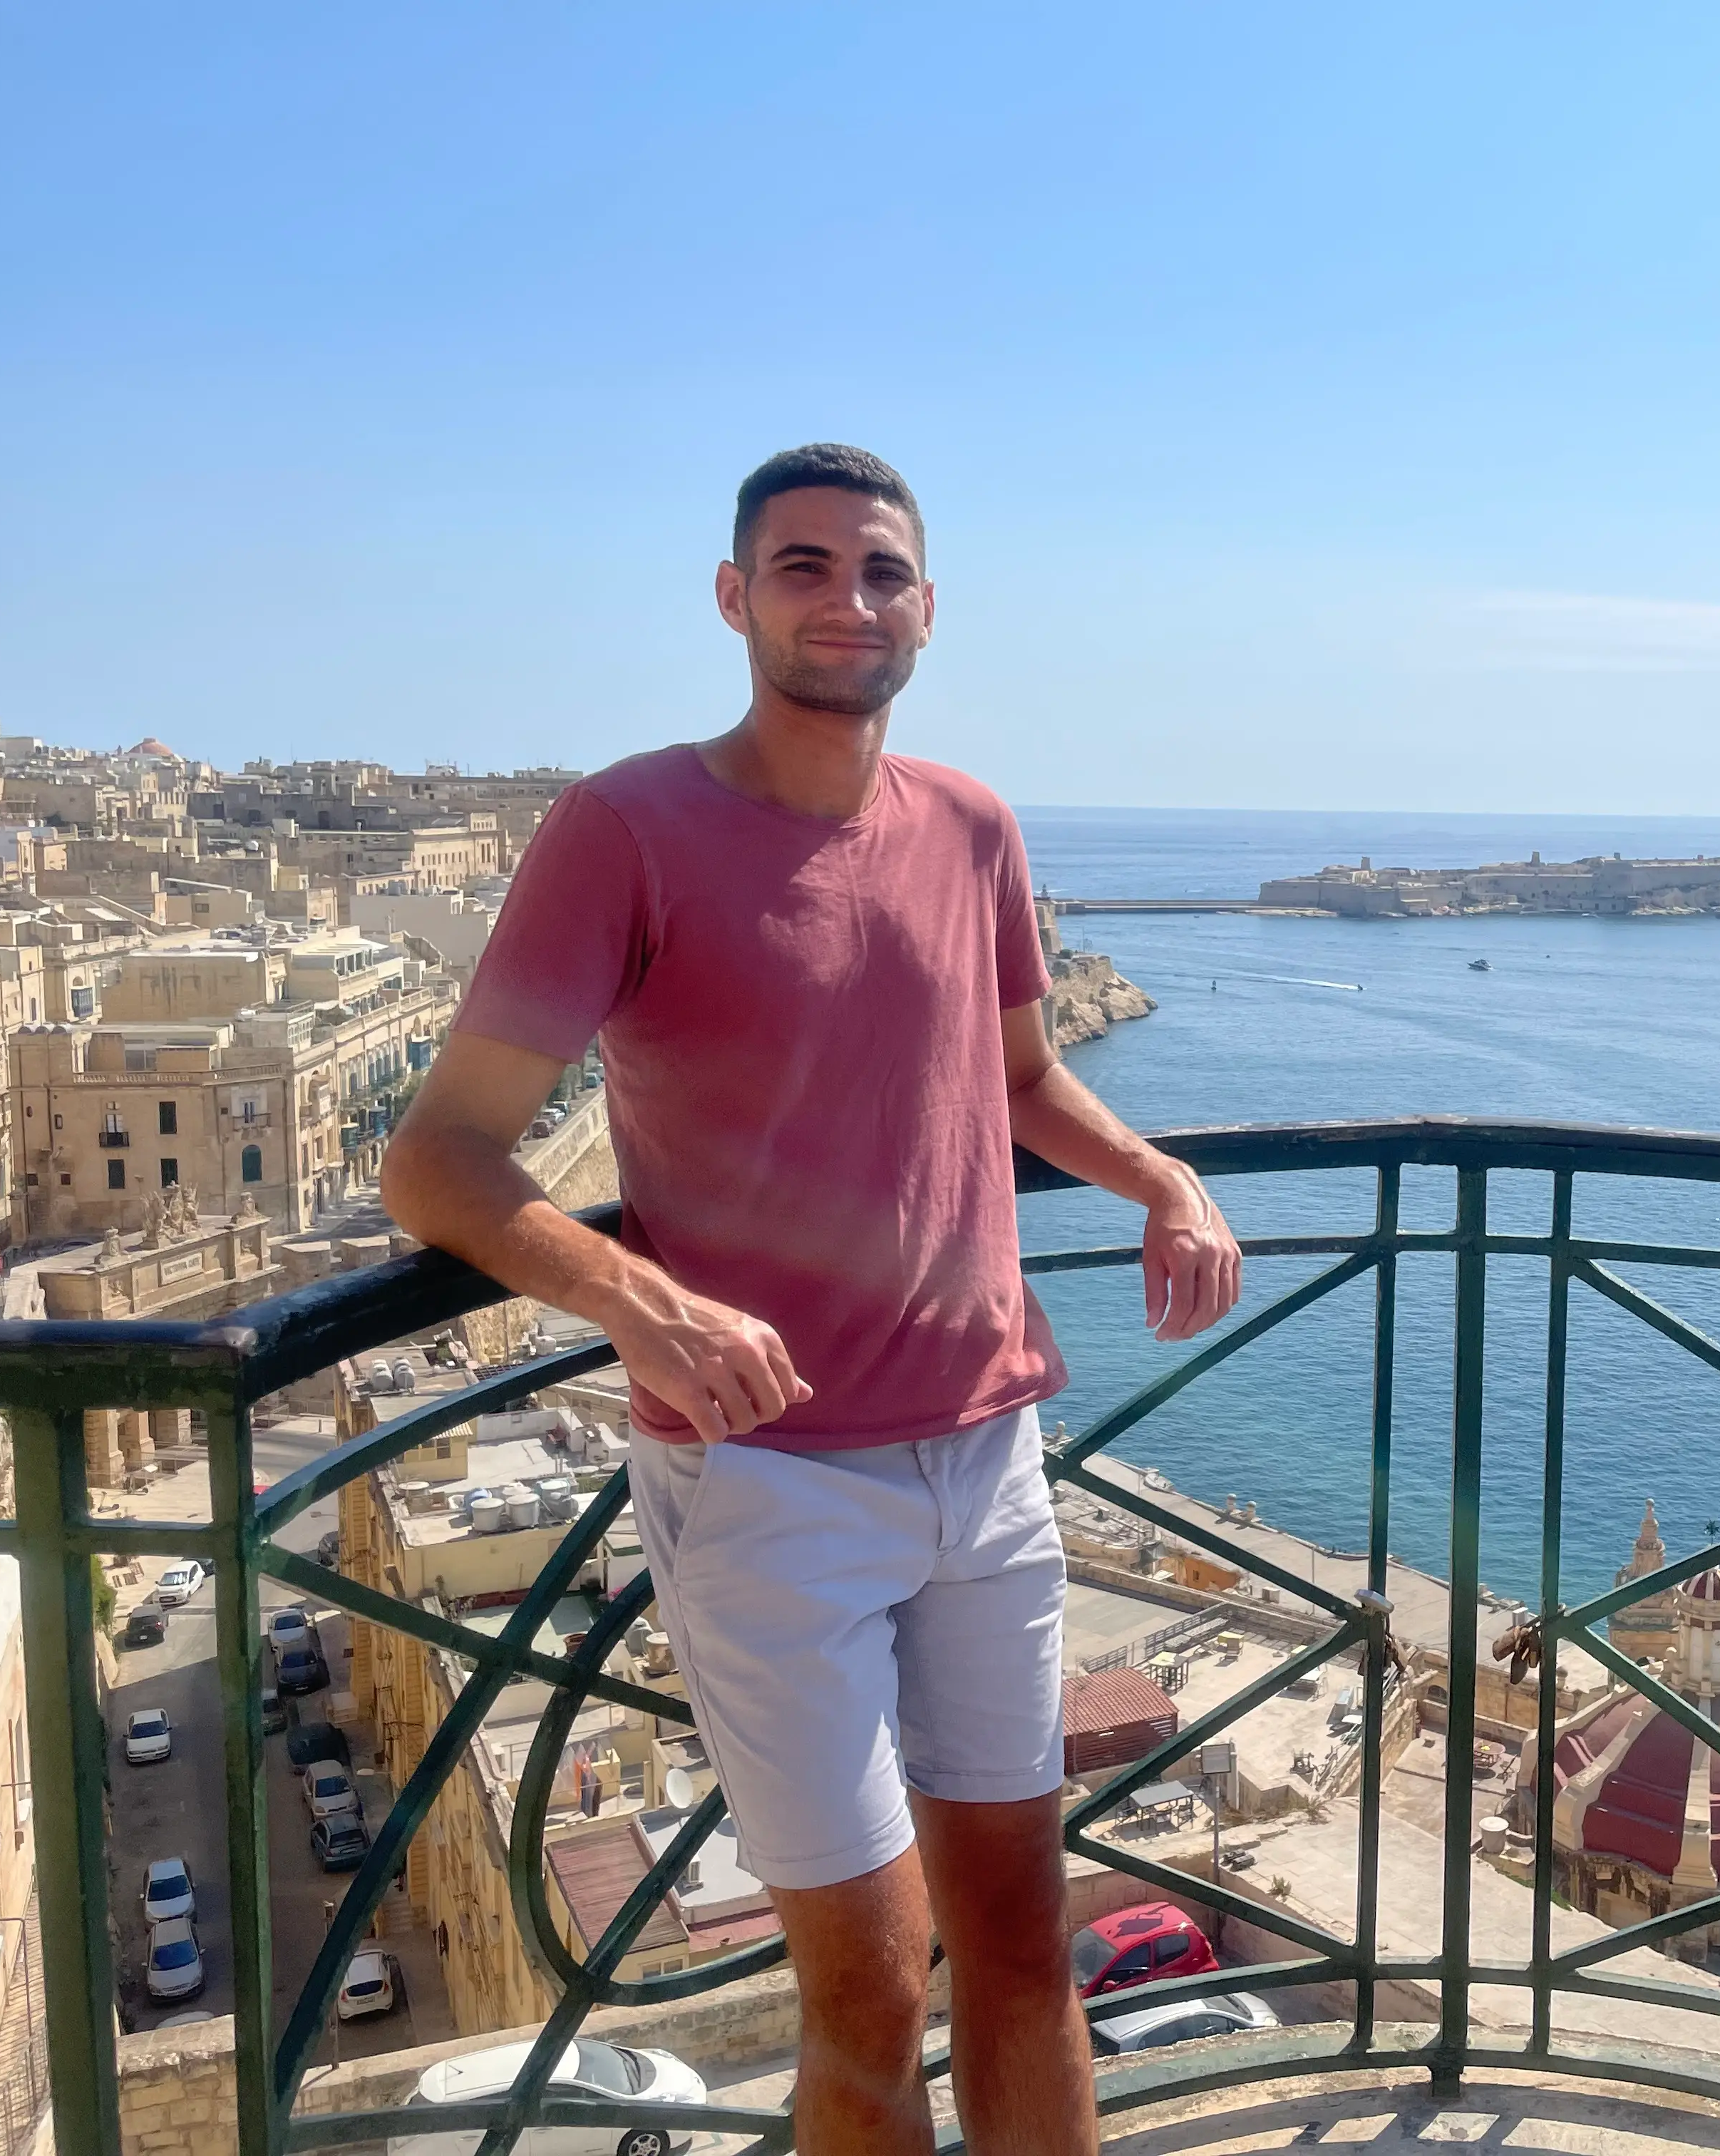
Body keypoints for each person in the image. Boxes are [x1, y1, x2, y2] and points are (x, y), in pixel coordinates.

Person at [383, 443, 1243, 2155]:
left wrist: (1165, 1178)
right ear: (733, 598)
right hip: (769, 1481)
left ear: (927, 608)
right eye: (803, 566)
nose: (846, 599)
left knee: (1022, 1952)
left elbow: (1019, 1082)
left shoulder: (973, 825)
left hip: (988, 1463)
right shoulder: (623, 829)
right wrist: (646, 1304)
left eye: (881, 571)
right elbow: (444, 1159)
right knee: (868, 1997)